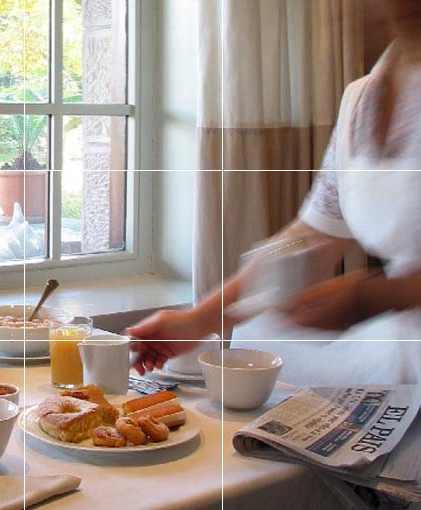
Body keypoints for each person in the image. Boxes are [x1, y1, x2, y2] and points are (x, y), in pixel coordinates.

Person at [128, 0, 421, 378]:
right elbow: (313, 235)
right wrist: (197, 321)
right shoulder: (362, 100)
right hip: (401, 345)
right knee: (261, 334)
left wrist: (368, 298)